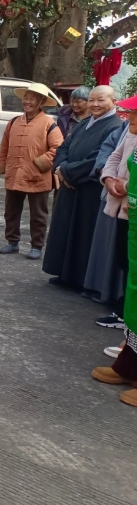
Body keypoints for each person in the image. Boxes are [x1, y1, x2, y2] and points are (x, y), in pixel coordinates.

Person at [43, 85, 123, 289]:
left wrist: (68, 172)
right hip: (69, 183)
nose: (95, 104)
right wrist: (60, 168)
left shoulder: (114, 126)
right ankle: (64, 273)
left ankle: (80, 279)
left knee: (83, 232)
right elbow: (64, 147)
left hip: (89, 187)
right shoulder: (85, 122)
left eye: (101, 100)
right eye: (92, 100)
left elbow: (98, 158)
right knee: (65, 228)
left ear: (113, 101)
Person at [90, 94, 137, 407]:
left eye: (133, 113)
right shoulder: (132, 135)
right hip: (134, 225)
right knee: (134, 299)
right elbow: (117, 161)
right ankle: (130, 365)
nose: (128, 117)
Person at [0, 82, 63, 260]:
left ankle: (37, 245)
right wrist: (4, 166)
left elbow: (59, 149)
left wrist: (40, 163)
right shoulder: (14, 122)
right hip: (15, 173)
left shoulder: (49, 124)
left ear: (41, 102)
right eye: (26, 98)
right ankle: (12, 242)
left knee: (38, 214)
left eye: (32, 99)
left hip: (38, 175)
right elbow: (4, 147)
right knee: (11, 210)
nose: (27, 101)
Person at [86, 99, 137, 324]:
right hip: (122, 203)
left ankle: (129, 319)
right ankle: (124, 311)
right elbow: (115, 156)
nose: (129, 116)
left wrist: (125, 185)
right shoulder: (130, 130)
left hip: (131, 202)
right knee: (124, 259)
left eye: (134, 112)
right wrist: (107, 178)